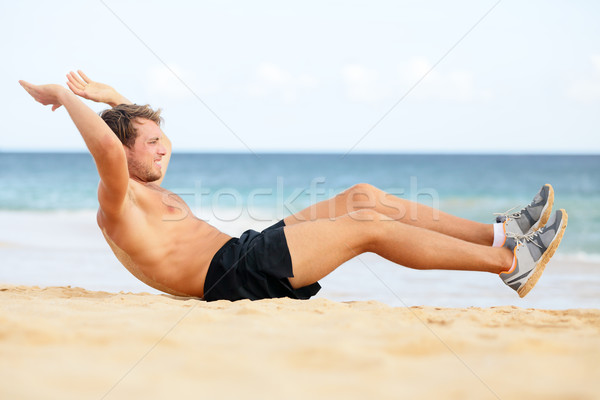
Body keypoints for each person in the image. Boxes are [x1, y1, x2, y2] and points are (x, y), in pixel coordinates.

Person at [19, 71, 568, 301]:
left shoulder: (141, 188)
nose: (164, 148)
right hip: (233, 277)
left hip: (244, 254)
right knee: (368, 227)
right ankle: (509, 266)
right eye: (153, 142)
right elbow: (111, 149)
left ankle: (502, 234)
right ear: (125, 151)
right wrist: (67, 98)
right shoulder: (116, 200)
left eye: (166, 138)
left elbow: (124, 138)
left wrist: (114, 99)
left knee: (363, 197)